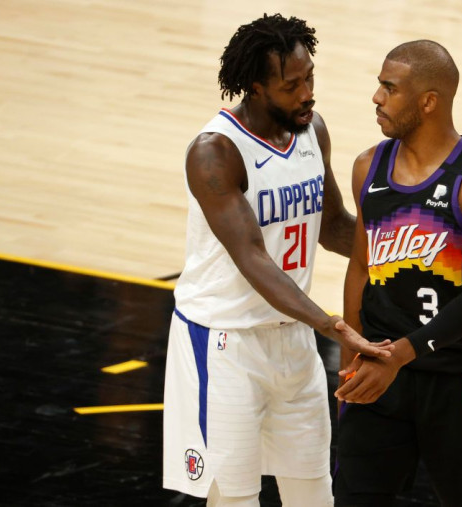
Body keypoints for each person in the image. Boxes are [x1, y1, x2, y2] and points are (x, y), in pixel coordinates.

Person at [162, 14, 392, 507]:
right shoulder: (215, 152)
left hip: (292, 338)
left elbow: (332, 226)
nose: (308, 93)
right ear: (255, 87)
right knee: (235, 500)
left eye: (310, 77)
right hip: (225, 343)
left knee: (314, 495)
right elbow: (253, 259)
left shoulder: (312, 130)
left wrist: (400, 255)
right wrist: (333, 325)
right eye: (292, 85)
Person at [333, 40, 462, 507]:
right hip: (379, 373)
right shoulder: (367, 168)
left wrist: (403, 353)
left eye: (389, 88)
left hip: (460, 380)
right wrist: (352, 347)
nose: (376, 97)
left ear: (428, 101)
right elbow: (360, 265)